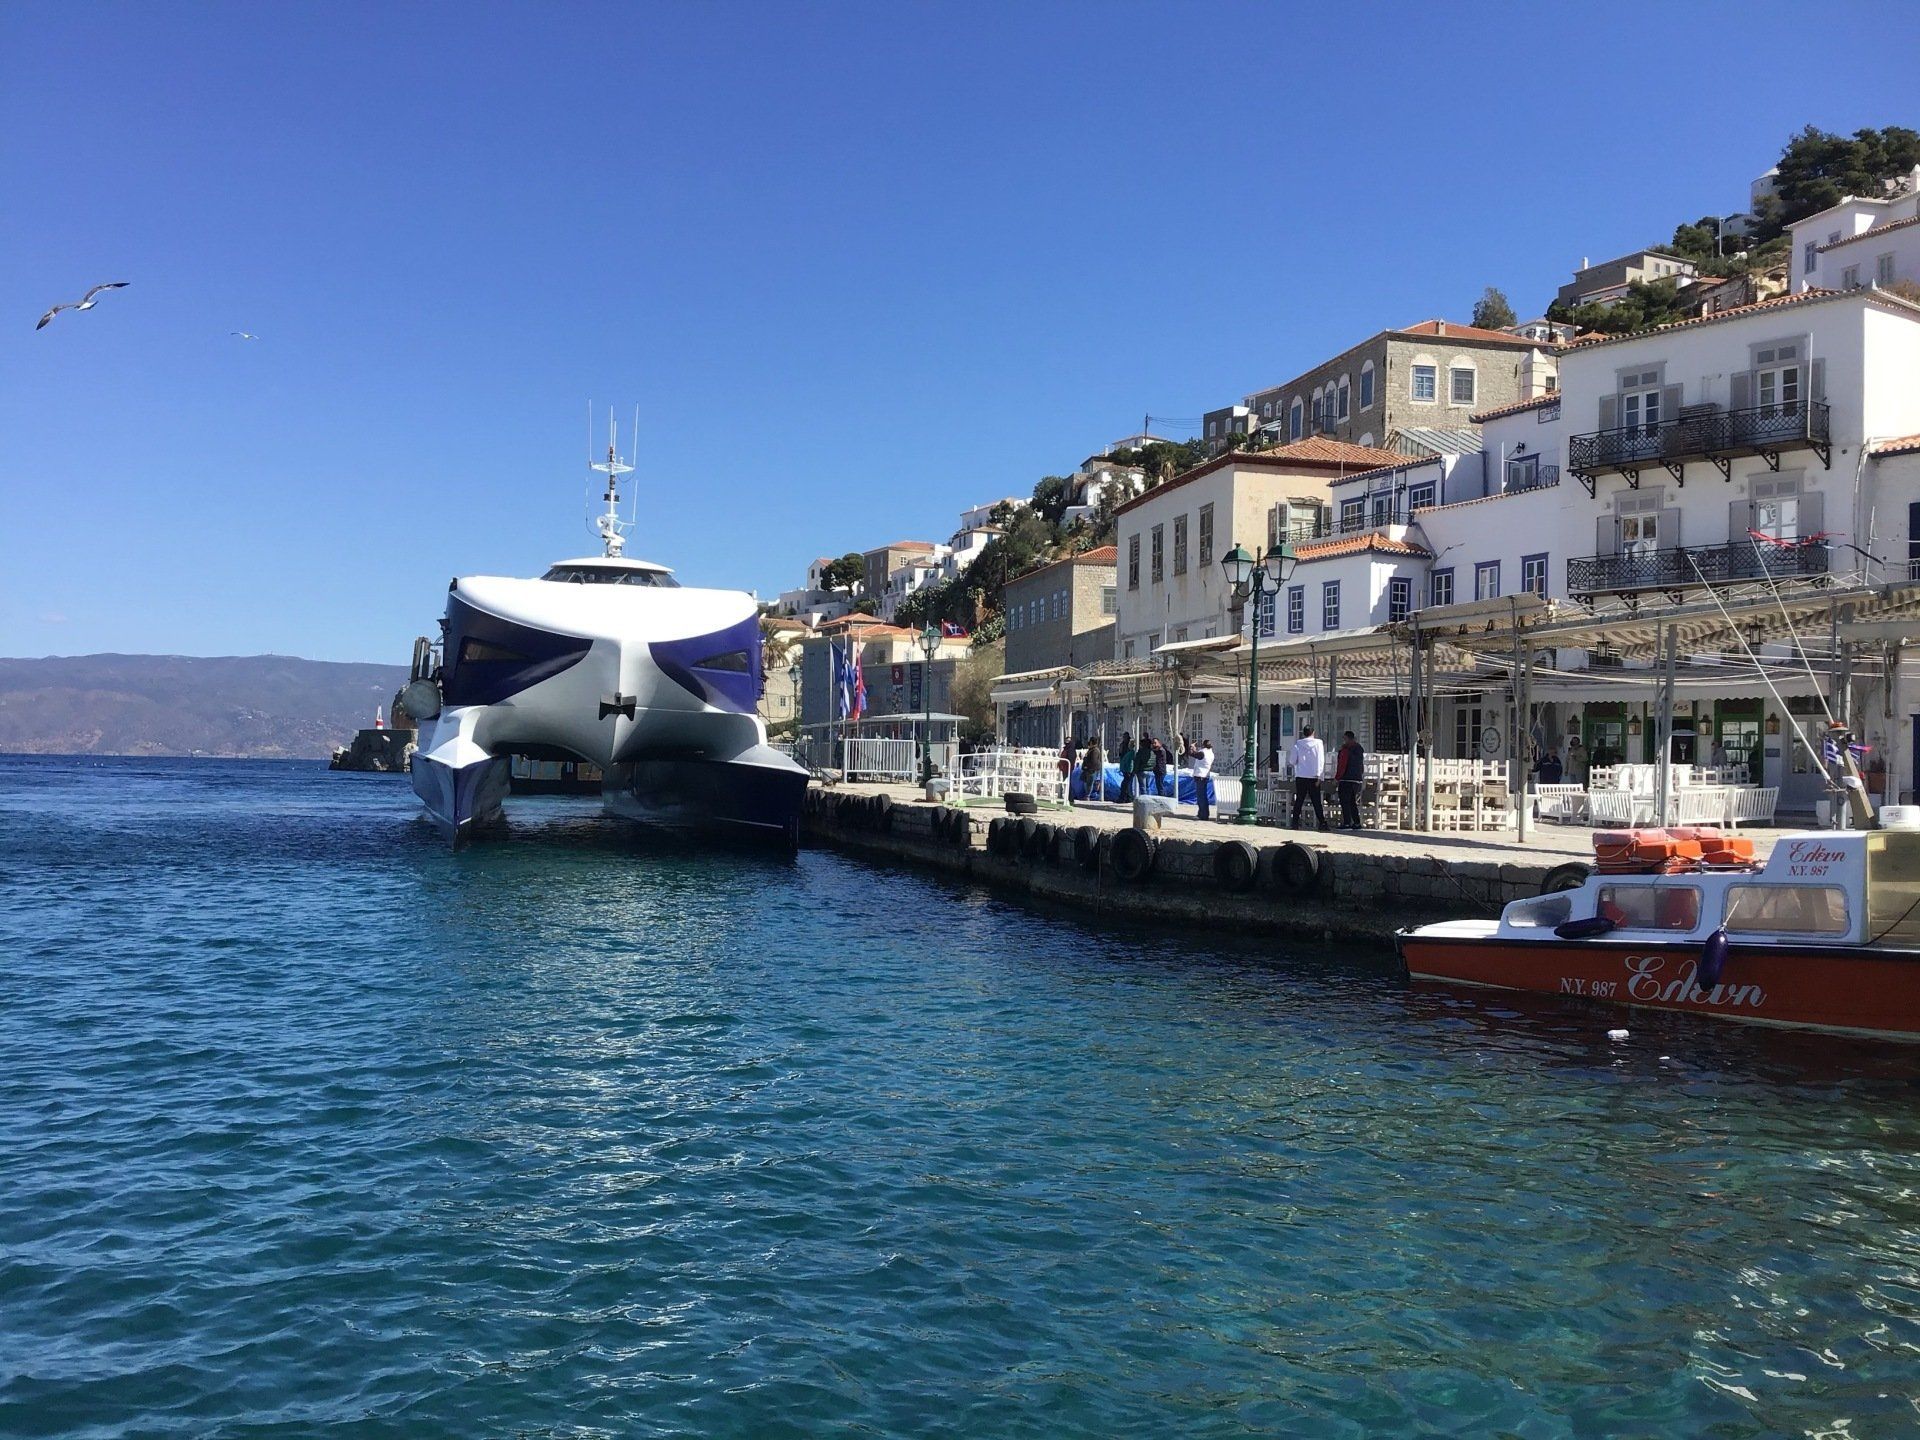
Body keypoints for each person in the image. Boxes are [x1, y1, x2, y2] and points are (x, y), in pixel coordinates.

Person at [1289, 724, 1328, 830]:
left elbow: (1292, 761)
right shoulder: (1319, 744)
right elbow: (1321, 760)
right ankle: (1322, 823)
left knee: (1299, 800)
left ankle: (1295, 822)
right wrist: (1320, 775)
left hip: (1301, 775)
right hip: (1314, 775)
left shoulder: (1298, 744)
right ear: (1313, 732)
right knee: (1316, 801)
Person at [1335, 729, 1365, 829]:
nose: (1343, 741)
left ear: (1348, 739)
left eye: (1344, 739)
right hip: (1357, 779)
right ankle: (1356, 822)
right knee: (1352, 802)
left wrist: (1337, 777)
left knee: (1345, 801)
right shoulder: (1359, 749)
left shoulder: (1346, 750)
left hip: (1346, 778)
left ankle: (1347, 822)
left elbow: (1342, 765)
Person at [1191, 737, 1215, 821]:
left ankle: (1203, 814)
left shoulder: (1203, 752)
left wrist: (1192, 748)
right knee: (1203, 796)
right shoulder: (1211, 753)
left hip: (1200, 775)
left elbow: (1194, 755)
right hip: (1205, 775)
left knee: (1201, 796)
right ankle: (1204, 813)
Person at [1081, 735, 1105, 802]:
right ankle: (1089, 794)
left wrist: (1087, 765)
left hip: (1092, 769)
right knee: (1088, 782)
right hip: (1090, 769)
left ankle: (1088, 795)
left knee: (1090, 783)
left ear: (1092, 742)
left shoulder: (1095, 751)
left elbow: (1093, 761)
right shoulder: (1092, 750)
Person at [1116, 733, 1136, 802]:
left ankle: (1127, 797)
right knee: (1126, 783)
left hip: (1128, 768)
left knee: (1127, 784)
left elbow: (1130, 761)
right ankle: (1127, 797)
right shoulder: (1123, 745)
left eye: (1125, 737)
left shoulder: (1131, 750)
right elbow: (1120, 753)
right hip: (1125, 766)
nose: (1124, 738)